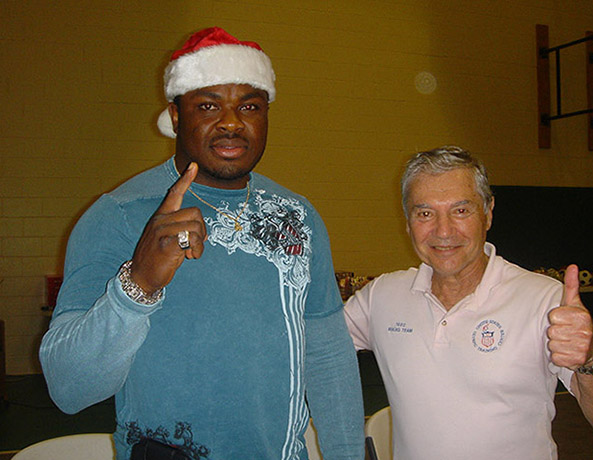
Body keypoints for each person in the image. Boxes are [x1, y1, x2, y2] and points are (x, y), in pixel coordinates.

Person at [40, 27, 364, 460]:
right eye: (208, 106)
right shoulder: (118, 215)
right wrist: (138, 285)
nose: (231, 123)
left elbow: (328, 356)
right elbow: (68, 387)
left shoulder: (297, 215)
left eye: (249, 106)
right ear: (176, 116)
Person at [344, 146, 593, 460]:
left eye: (461, 210)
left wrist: (591, 357)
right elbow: (304, 346)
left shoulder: (545, 300)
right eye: (425, 213)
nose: (443, 231)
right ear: (408, 221)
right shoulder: (381, 297)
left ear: (488, 212)